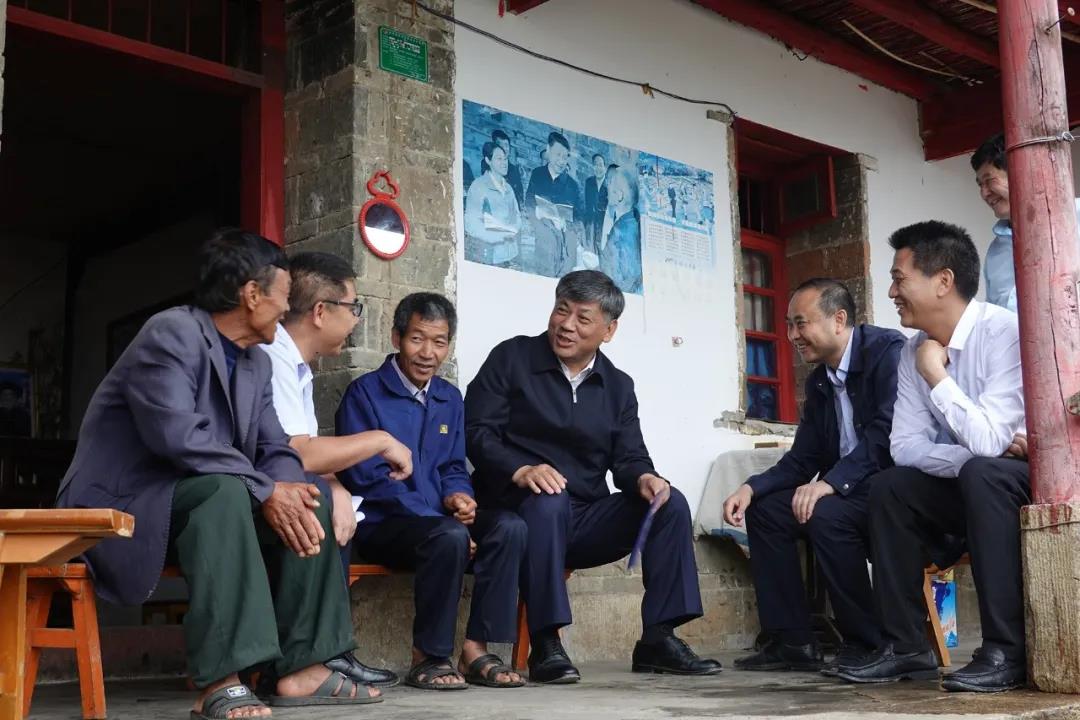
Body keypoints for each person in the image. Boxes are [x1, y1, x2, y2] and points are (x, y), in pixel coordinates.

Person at [56, 229, 381, 719]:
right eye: (283, 296)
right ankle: (222, 679)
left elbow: (273, 447)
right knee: (227, 492)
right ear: (252, 295)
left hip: (198, 501)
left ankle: (303, 668)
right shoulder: (171, 334)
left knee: (306, 493)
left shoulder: (255, 363)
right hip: (129, 503)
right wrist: (265, 488)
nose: (287, 308)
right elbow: (177, 437)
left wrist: (285, 486)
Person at [465, 270, 720, 684]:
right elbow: (476, 431)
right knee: (548, 498)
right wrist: (521, 469)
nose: (566, 325)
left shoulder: (617, 386)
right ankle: (546, 642)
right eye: (561, 310)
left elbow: (629, 457)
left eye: (583, 318)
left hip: (584, 519)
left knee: (668, 502)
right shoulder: (512, 358)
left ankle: (658, 637)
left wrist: (645, 478)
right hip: (518, 510)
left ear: (609, 330)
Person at [836, 221, 1029, 693]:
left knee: (985, 473)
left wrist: (936, 377)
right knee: (890, 487)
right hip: (973, 477)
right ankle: (906, 647)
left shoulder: (1004, 333)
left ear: (943, 281)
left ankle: (1005, 652)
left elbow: (990, 442)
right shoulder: (912, 351)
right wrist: (967, 457)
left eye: (899, 279)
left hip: (1024, 482)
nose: (891, 292)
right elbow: (904, 446)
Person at [337, 293, 527, 691]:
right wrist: (434, 517)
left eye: (439, 341)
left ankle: (476, 649)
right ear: (396, 338)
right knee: (449, 535)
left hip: (438, 523)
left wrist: (459, 496)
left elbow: (453, 466)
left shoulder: (448, 398)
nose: (428, 353)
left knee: (509, 527)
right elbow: (367, 477)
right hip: (382, 525)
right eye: (417, 339)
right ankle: (429, 656)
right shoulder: (365, 394)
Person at [723, 279, 904, 674]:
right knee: (767, 511)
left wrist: (831, 483)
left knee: (825, 513)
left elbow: (887, 433)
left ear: (838, 319)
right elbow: (802, 460)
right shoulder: (820, 381)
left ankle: (865, 642)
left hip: (893, 489)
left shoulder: (886, 352)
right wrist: (751, 488)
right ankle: (792, 641)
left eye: (800, 323)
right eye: (788, 325)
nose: (792, 336)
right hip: (847, 490)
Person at [259, 251, 414, 688]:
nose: (357, 320)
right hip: (249, 496)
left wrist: (340, 490)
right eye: (353, 307)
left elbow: (305, 453)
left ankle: (330, 654)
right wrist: (381, 440)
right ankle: (304, 660)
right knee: (318, 501)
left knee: (339, 506)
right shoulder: (273, 357)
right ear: (320, 311)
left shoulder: (299, 368)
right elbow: (297, 454)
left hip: (283, 487)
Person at [970, 132, 1080, 313]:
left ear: (1019, 173)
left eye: (989, 181)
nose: (984, 193)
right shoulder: (995, 253)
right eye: (980, 185)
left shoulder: (1075, 215)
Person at [525, 132, 583, 277]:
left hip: (566, 248)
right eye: (558, 155)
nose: (561, 161)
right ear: (548, 150)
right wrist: (537, 213)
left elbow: (579, 219)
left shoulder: (573, 186)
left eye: (565, 157)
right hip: (544, 247)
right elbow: (529, 203)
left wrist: (567, 224)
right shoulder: (537, 174)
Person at [464, 141, 523, 265]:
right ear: (488, 160)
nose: (504, 163)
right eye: (499, 159)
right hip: (489, 255)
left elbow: (517, 216)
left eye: (505, 159)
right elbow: (471, 223)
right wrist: (496, 236)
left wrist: (512, 230)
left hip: (511, 254)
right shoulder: (478, 186)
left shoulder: (509, 188)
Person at [598, 167, 643, 294]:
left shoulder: (623, 230)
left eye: (610, 184)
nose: (606, 188)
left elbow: (625, 281)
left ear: (619, 196)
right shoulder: (631, 222)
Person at [492, 129, 525, 206]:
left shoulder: (515, 170)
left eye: (506, 145)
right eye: (499, 145)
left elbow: (520, 195)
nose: (503, 148)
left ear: (509, 149)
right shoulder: (489, 166)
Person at [583, 153, 608, 252]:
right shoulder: (589, 182)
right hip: (591, 222)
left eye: (600, 165)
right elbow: (587, 203)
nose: (598, 168)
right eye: (595, 165)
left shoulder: (610, 183)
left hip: (604, 223)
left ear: (605, 167)